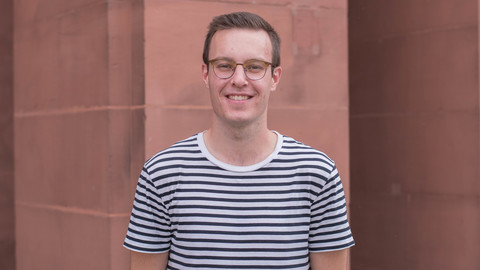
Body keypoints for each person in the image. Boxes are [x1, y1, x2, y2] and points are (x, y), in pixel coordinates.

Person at [124, 11, 354, 270]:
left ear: (275, 77)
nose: (239, 80)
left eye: (255, 67)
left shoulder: (317, 174)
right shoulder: (161, 174)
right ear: (205, 74)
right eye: (224, 65)